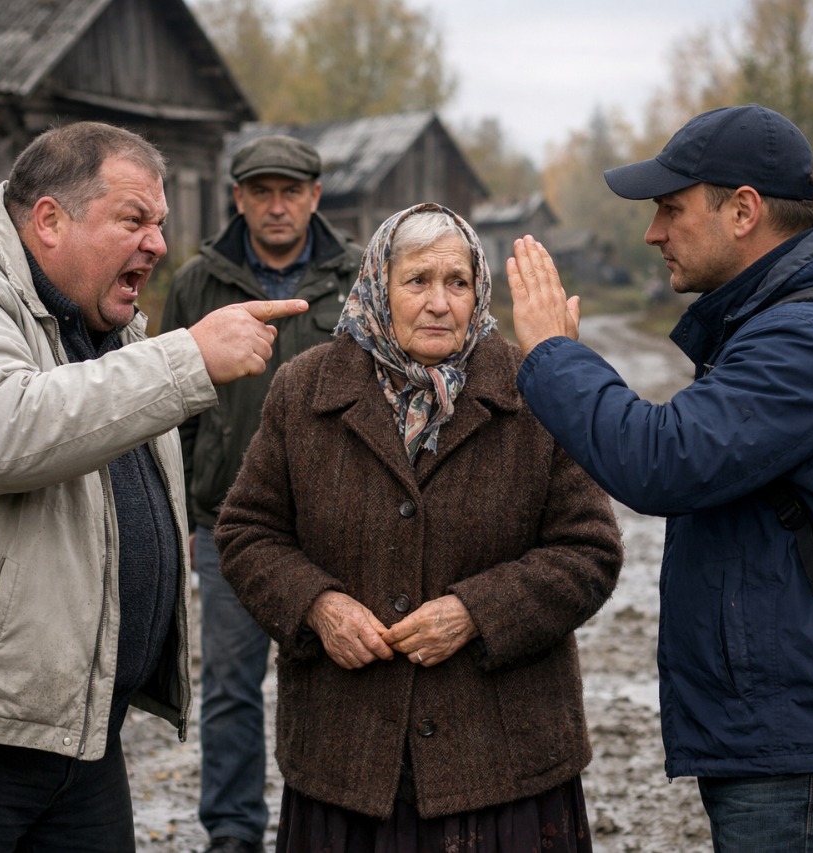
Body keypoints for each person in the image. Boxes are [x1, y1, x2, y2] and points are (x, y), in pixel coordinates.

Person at [0, 121, 307, 853]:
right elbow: (3, 433)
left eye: (159, 224)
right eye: (134, 220)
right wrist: (187, 358)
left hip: (67, 726)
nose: (158, 245)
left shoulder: (100, 315)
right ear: (48, 219)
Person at [504, 104, 813, 851]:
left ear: (743, 210)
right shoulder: (787, 324)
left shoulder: (809, 340)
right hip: (797, 737)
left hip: (808, 751)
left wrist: (552, 356)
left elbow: (662, 460)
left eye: (671, 208)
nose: (653, 232)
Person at [213, 203, 624, 852]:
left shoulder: (534, 389)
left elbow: (590, 550)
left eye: (456, 282)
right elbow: (246, 531)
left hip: (502, 762)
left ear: (479, 289)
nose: (439, 302)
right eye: (417, 281)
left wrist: (477, 611)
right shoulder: (304, 388)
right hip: (348, 760)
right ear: (379, 282)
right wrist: (317, 606)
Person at [162, 134, 361, 853]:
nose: (276, 207)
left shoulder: (361, 275)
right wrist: (182, 510)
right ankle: (235, 830)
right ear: (238, 198)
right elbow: (170, 403)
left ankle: (335, 823)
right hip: (227, 523)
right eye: (261, 191)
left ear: (315, 195)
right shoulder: (196, 283)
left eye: (291, 191)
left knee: (342, 683)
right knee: (230, 686)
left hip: (340, 519)